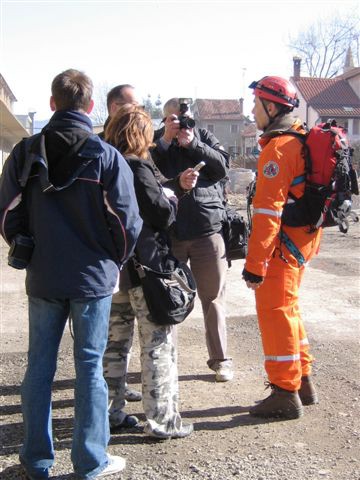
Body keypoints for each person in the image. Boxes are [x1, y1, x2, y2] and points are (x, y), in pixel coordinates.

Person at [0, 69, 143, 479]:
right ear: (91, 106)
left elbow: (6, 211)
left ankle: (36, 461)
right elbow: (127, 222)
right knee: (89, 367)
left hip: (43, 276)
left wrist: (24, 246)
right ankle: (90, 462)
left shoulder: (26, 152)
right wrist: (112, 261)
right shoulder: (106, 156)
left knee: (39, 368)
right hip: (92, 279)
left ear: (52, 104)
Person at [103, 102, 197, 438]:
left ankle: (110, 413)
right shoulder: (137, 166)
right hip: (147, 270)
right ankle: (162, 420)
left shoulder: (105, 164)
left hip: (113, 272)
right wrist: (172, 198)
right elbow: (160, 214)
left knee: (114, 345)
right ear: (139, 133)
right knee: (157, 344)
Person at [243, 76, 321, 420]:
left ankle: (284, 393)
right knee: (289, 310)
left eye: (256, 104)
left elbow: (266, 213)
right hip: (301, 242)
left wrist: (254, 265)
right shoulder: (299, 139)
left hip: (282, 247)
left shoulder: (278, 149)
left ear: (271, 107)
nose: (251, 110)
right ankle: (302, 381)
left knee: (276, 314)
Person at [151, 98, 233, 382]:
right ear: (164, 120)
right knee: (167, 300)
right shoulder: (156, 143)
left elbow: (222, 168)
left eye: (185, 118)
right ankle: (166, 362)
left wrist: (193, 143)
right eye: (174, 119)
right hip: (170, 234)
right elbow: (146, 170)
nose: (181, 124)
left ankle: (221, 359)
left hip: (206, 231)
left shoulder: (205, 138)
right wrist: (165, 140)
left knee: (214, 299)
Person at [99, 83, 143, 406]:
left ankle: (115, 391)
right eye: (133, 105)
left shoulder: (140, 150)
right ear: (115, 107)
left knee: (119, 336)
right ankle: (111, 399)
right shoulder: (99, 150)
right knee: (113, 336)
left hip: (122, 258)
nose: (138, 111)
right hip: (117, 260)